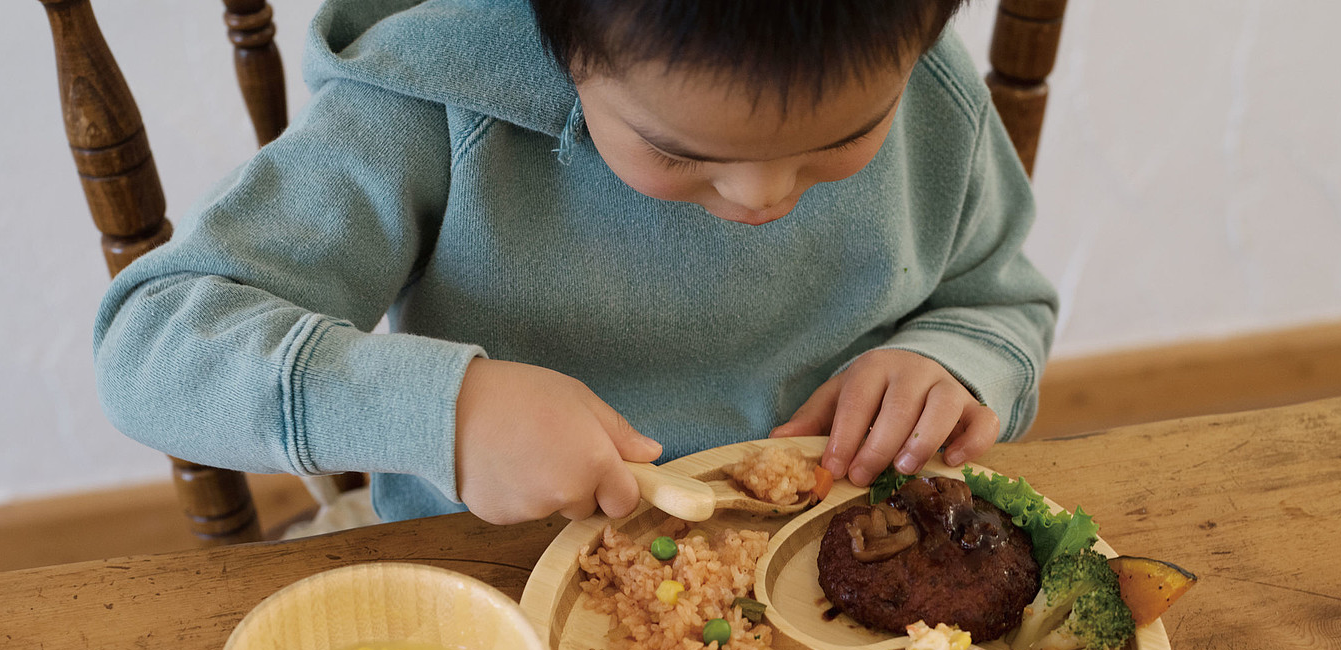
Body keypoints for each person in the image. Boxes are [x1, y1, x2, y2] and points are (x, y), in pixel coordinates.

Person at [94, 0, 1057, 526]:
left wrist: (957, 360)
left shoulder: (932, 94)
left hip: (823, 574)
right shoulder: (433, 102)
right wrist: (449, 414)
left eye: (845, 137)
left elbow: (999, 299)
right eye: (681, 152)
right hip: (489, 590)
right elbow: (152, 343)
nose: (763, 196)